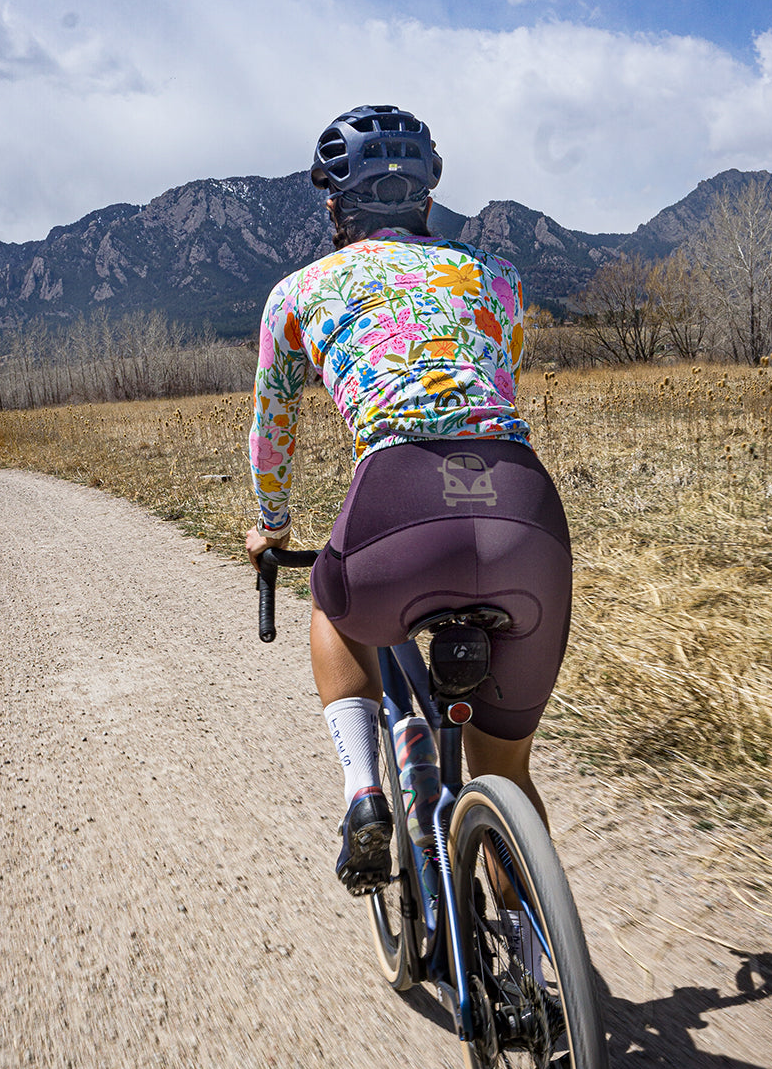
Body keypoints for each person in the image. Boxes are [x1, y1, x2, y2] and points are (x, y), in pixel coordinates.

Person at [245, 105, 572, 897]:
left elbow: (271, 433)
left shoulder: (298, 292)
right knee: (508, 769)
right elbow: (497, 374)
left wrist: (272, 526)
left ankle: (364, 793)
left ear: (335, 205)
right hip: (522, 506)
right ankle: (537, 966)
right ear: (428, 198)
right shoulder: (498, 276)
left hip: (398, 501)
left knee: (334, 597)